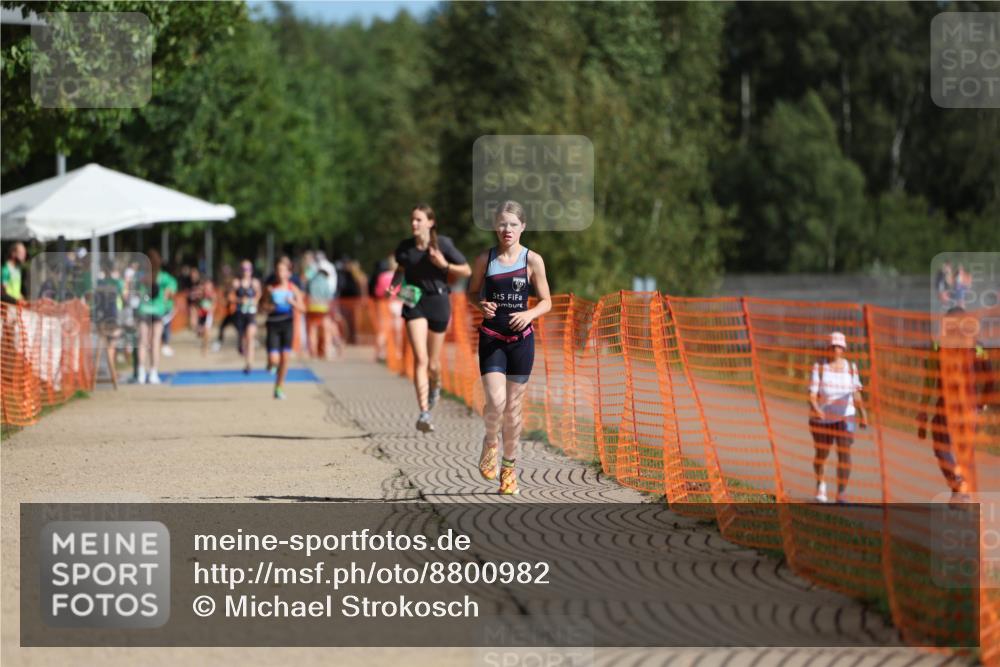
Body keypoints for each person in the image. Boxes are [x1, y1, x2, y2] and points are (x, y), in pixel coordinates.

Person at [466, 200, 552, 495]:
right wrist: (481, 304)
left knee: (513, 409)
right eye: (502, 224)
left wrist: (529, 314)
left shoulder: (533, 260)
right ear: (495, 226)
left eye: (513, 224)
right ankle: (491, 442)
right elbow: (471, 292)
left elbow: (546, 301)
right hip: (492, 338)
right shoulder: (485, 259)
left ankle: (509, 470)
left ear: (522, 227)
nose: (507, 229)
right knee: (496, 402)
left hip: (521, 341)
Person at [389, 204, 472, 432]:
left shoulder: (442, 244)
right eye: (412, 219)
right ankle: (424, 413)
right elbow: (401, 269)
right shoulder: (405, 247)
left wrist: (445, 265)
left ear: (430, 222)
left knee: (433, 364)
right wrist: (394, 285)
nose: (414, 223)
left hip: (438, 301)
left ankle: (436, 383)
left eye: (418, 219)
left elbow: (466, 270)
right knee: (420, 358)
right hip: (414, 301)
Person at [917, 307, 995, 503]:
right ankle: (961, 493)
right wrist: (981, 404)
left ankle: (958, 487)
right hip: (970, 408)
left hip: (947, 406)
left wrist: (923, 409)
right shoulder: (977, 346)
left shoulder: (938, 346)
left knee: (941, 448)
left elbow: (929, 380)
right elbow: (991, 380)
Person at [808, 331, 868, 503]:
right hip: (822, 418)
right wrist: (816, 408)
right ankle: (821, 485)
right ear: (828, 348)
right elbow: (812, 394)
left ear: (844, 349)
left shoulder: (851, 368)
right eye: (833, 346)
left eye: (839, 347)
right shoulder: (819, 367)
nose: (836, 350)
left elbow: (856, 393)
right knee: (822, 453)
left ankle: (841, 493)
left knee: (844, 453)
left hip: (845, 416)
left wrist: (863, 414)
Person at [263, 258, 305, 399]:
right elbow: (262, 306)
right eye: (278, 270)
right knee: (274, 360)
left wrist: (292, 302)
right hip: (273, 324)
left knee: (285, 359)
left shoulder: (293, 288)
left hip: (287, 324)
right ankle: (270, 364)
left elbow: (303, 308)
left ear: (288, 273)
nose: (280, 273)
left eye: (283, 270)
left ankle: (279, 387)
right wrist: (270, 307)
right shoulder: (270, 289)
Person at [135, 249, 177, 384]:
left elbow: (135, 292)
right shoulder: (164, 277)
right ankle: (153, 373)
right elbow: (171, 293)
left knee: (142, 342)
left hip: (143, 311)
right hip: (158, 311)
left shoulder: (142, 277)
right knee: (155, 342)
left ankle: (141, 373)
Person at [231, 260, 262, 374]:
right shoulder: (236, 283)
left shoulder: (255, 283)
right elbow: (229, 296)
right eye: (244, 269)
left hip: (251, 313)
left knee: (250, 337)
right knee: (243, 340)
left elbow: (259, 294)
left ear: (251, 270)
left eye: (248, 269)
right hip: (240, 314)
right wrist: (239, 300)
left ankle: (249, 364)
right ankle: (241, 346)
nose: (246, 271)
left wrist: (255, 300)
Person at [305, 262, 335, 359]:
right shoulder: (325, 282)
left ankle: (313, 351)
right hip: (323, 309)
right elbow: (329, 297)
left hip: (312, 308)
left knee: (312, 330)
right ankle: (325, 351)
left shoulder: (311, 280)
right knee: (326, 331)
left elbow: (307, 293)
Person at [189, 269, 216, 355]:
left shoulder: (212, 294)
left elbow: (214, 304)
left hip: (208, 314)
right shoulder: (200, 293)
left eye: (209, 286)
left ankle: (205, 348)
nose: (207, 287)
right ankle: (202, 335)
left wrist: (211, 309)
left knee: (207, 331)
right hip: (200, 314)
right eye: (205, 285)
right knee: (200, 332)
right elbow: (195, 303)